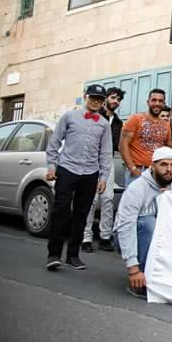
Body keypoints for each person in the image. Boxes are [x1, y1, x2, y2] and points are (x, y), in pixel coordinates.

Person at [45, 84, 113, 271]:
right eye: (93, 98)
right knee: (61, 211)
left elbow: (106, 153)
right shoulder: (69, 116)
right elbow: (54, 142)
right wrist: (51, 165)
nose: (96, 102)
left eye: (100, 100)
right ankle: (53, 254)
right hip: (67, 169)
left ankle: (73, 255)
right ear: (85, 97)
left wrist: (104, 177)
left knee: (82, 214)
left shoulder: (104, 124)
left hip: (90, 173)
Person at [112, 147, 172, 298]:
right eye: (163, 164)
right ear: (153, 166)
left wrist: (171, 201)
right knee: (148, 223)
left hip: (161, 237)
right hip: (129, 236)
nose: (169, 169)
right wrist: (133, 269)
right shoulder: (137, 188)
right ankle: (142, 278)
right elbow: (125, 226)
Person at [82, 86, 125, 253]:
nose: (115, 101)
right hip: (91, 161)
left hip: (108, 161)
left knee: (108, 199)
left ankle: (105, 237)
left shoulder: (118, 122)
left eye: (118, 99)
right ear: (106, 98)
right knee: (91, 200)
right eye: (113, 98)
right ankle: (86, 238)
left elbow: (117, 145)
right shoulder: (95, 115)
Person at [119, 88, 172, 187]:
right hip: (138, 170)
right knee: (135, 197)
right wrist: (132, 168)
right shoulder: (135, 119)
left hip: (157, 171)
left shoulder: (166, 125)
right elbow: (123, 145)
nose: (157, 103)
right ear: (148, 102)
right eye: (154, 100)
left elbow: (170, 147)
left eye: (160, 101)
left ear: (164, 104)